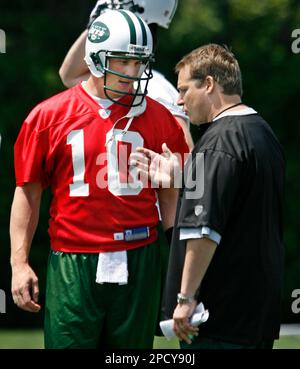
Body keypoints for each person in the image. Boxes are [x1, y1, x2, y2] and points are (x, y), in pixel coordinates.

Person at [10, 9, 189, 349]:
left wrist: (179, 253)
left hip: (141, 255)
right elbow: (28, 194)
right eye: (122, 61)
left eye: (139, 63)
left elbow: (175, 193)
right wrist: (19, 263)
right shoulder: (48, 116)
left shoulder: (160, 117)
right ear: (95, 57)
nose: (132, 72)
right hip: (73, 258)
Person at [131, 43, 285, 349]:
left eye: (184, 89)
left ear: (210, 84)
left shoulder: (216, 142)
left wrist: (186, 298)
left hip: (219, 318)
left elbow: (205, 230)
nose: (178, 100)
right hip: (255, 314)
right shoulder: (262, 132)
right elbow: (238, 206)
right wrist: (182, 179)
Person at [58, 0, 194, 150]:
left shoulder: (155, 88)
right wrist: (100, 27)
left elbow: (187, 157)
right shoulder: (117, 79)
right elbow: (69, 76)